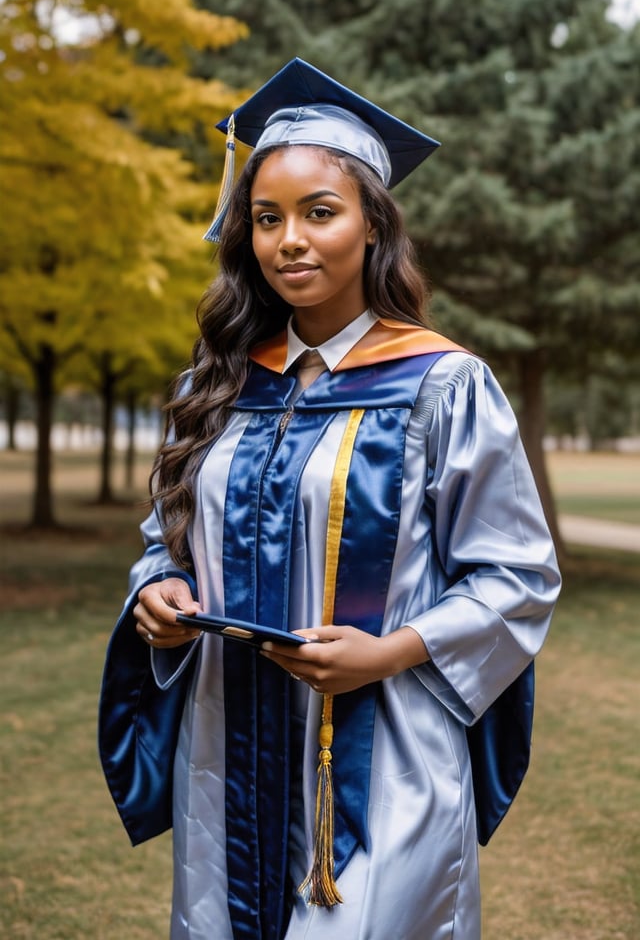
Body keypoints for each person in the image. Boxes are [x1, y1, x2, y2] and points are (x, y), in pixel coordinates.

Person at [99, 58, 561, 940]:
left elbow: (518, 575)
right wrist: (155, 591)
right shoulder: (222, 381)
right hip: (226, 745)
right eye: (267, 218)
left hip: (381, 748)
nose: (290, 241)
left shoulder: (440, 384)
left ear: (372, 227)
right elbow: (169, 538)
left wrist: (385, 653)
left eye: (320, 212)